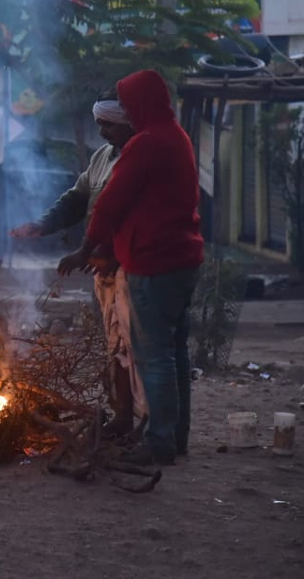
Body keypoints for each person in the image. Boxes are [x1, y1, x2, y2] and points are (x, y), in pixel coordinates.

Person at [58, 69, 203, 466]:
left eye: (126, 103)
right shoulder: (178, 137)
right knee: (174, 354)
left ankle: (159, 443)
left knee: (153, 356)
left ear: (139, 105)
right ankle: (176, 436)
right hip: (183, 260)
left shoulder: (146, 143)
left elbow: (109, 205)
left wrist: (84, 249)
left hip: (153, 263)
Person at [12, 90, 144, 434]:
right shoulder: (102, 156)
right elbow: (78, 198)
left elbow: (137, 216)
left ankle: (148, 422)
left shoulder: (141, 157)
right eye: (99, 124)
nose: (102, 132)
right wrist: (43, 224)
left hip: (131, 268)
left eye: (108, 126)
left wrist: (107, 253)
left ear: (127, 123)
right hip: (102, 269)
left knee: (137, 346)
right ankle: (122, 418)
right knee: (115, 343)